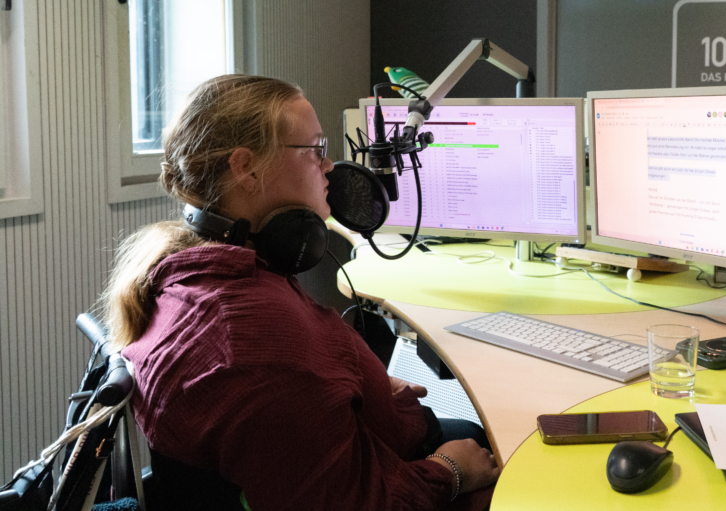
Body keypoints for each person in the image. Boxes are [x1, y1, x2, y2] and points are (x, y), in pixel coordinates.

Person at [102, 74, 498, 510]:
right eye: (315, 150)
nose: (329, 167)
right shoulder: (256, 339)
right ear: (246, 167)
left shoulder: (198, 273)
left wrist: (360, 383)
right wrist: (450, 470)